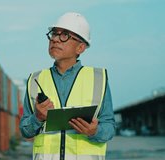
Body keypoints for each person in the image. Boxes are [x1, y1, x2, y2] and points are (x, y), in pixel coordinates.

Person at [19, 12, 115, 160]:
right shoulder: (35, 79)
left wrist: (95, 131)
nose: (55, 39)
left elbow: (109, 127)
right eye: (54, 34)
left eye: (64, 35)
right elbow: (25, 130)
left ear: (80, 47)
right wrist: (37, 118)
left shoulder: (98, 78)